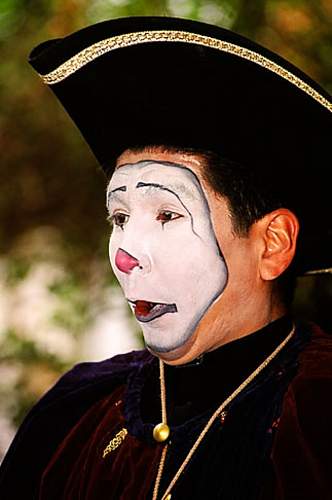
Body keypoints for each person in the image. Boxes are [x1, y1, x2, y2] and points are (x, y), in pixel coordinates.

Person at [0, 16, 331, 500]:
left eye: (167, 215)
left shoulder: (318, 413)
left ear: (272, 243)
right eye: (118, 218)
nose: (126, 255)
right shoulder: (74, 413)